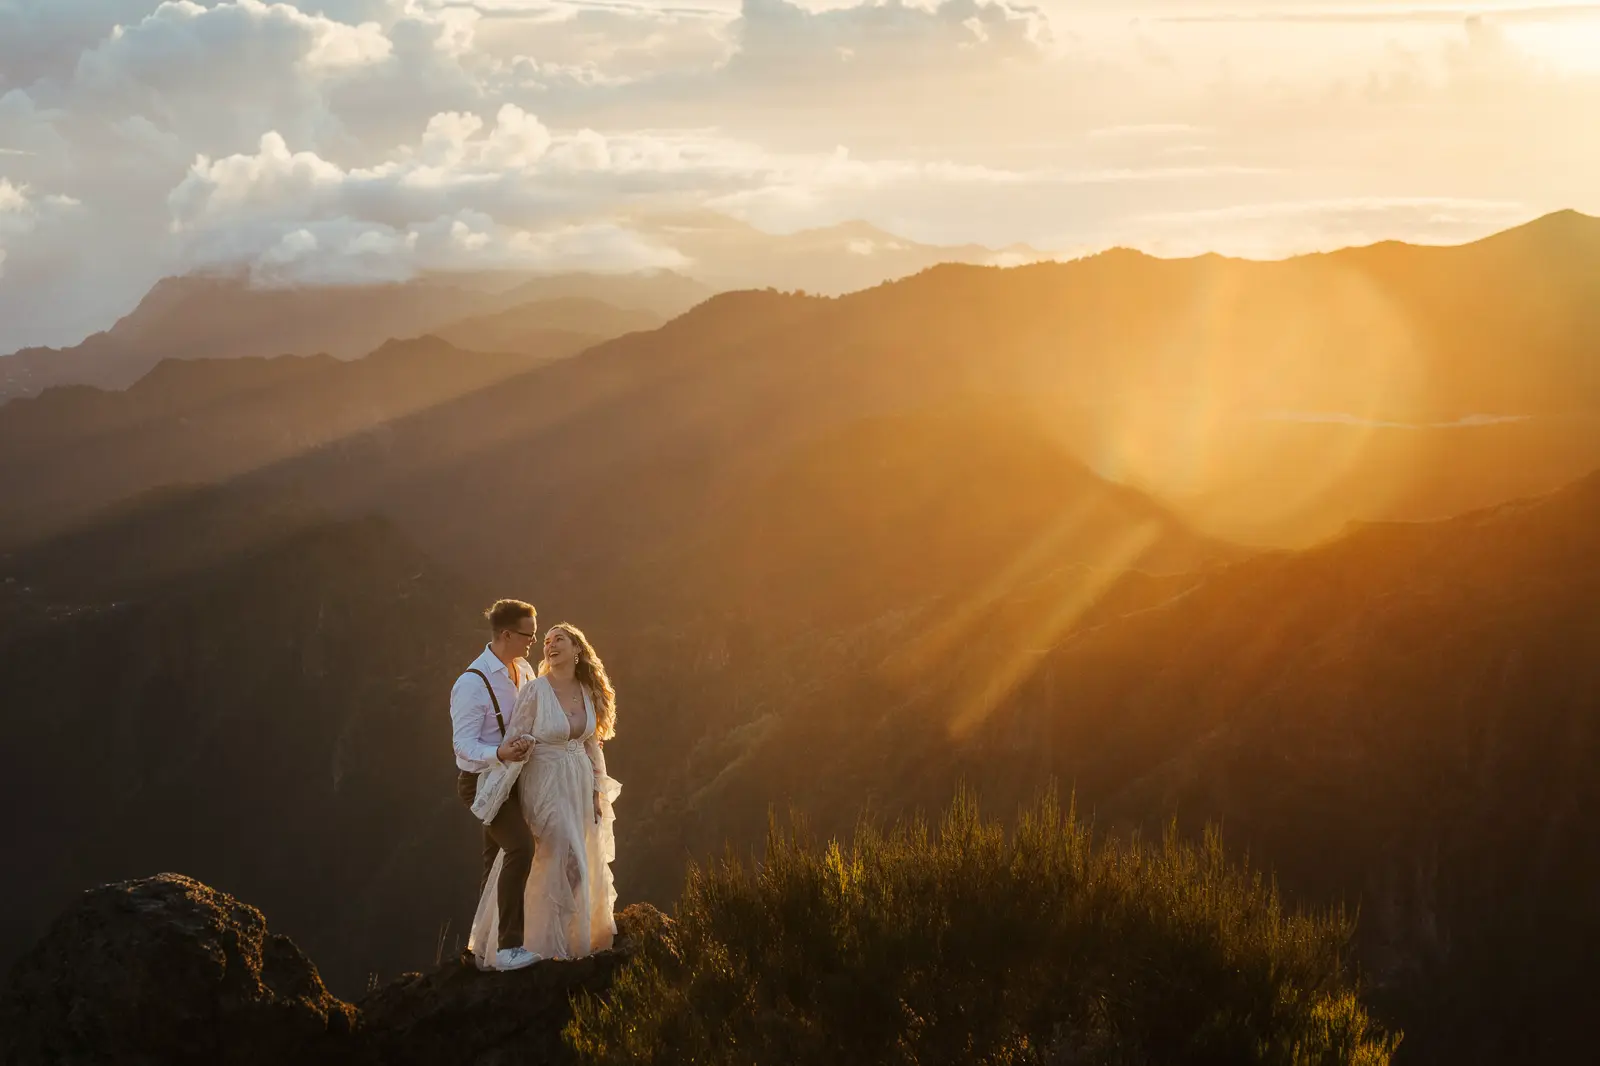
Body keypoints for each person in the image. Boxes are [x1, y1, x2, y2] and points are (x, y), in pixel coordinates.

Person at [467, 622, 621, 966]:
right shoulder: (535, 690)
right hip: (544, 782)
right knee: (554, 854)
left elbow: (592, 745)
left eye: (558, 639)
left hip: (578, 785)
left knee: (578, 861)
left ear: (577, 649)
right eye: (546, 641)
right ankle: (528, 943)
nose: (549, 645)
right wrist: (519, 748)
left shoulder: (587, 690)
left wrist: (597, 792)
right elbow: (516, 735)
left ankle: (567, 939)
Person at [450, 599, 541, 971]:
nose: (534, 641)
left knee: (496, 862)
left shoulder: (524, 670)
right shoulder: (472, 683)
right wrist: (500, 753)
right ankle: (508, 948)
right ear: (506, 634)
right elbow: (463, 746)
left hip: (515, 777)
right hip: (482, 782)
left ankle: (483, 949)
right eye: (528, 635)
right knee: (520, 848)